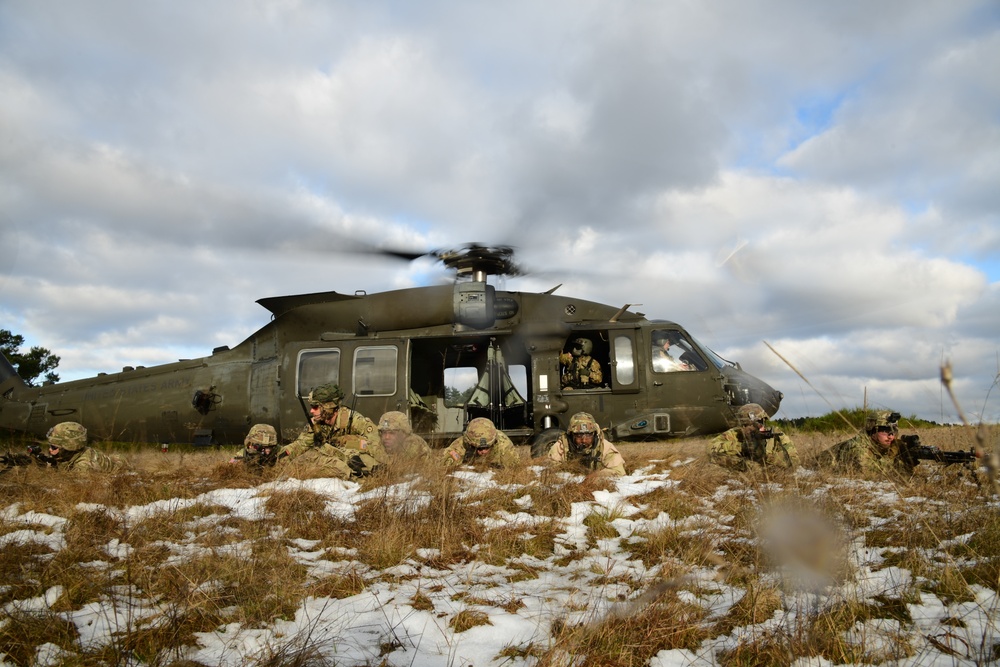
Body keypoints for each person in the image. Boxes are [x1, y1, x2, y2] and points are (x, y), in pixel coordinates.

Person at [278, 383, 387, 479]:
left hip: (361, 464)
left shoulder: (354, 420)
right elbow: (301, 445)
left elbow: (376, 445)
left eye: (315, 407)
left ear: (328, 407)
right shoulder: (317, 424)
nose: (311, 411)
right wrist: (280, 455)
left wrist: (348, 442)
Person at [816, 410, 914, 474]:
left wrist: (907, 461)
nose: (891, 436)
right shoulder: (858, 446)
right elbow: (867, 472)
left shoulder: (884, 444)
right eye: (885, 431)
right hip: (817, 466)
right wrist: (892, 455)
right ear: (872, 431)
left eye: (894, 431)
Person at [707, 403, 799, 471]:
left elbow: (794, 461)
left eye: (758, 423)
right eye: (746, 425)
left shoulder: (776, 436)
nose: (751, 428)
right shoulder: (734, 434)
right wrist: (741, 447)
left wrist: (766, 457)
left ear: (764, 421)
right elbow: (709, 448)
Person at [544, 412, 626, 478]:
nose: (584, 440)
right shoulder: (562, 446)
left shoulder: (605, 447)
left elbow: (619, 472)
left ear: (594, 433)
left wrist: (594, 477)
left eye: (588, 435)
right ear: (571, 435)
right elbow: (549, 470)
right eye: (579, 435)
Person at [36, 421, 118, 472]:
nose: (50, 449)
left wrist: (48, 471)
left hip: (119, 466)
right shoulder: (71, 454)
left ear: (69, 447)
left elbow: (69, 484)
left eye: (54, 447)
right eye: (50, 446)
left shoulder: (84, 465)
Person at [443, 417, 519, 468]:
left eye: (486, 447)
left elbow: (514, 471)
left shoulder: (504, 446)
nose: (483, 452)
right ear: (469, 443)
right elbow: (445, 466)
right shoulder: (460, 445)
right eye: (478, 448)